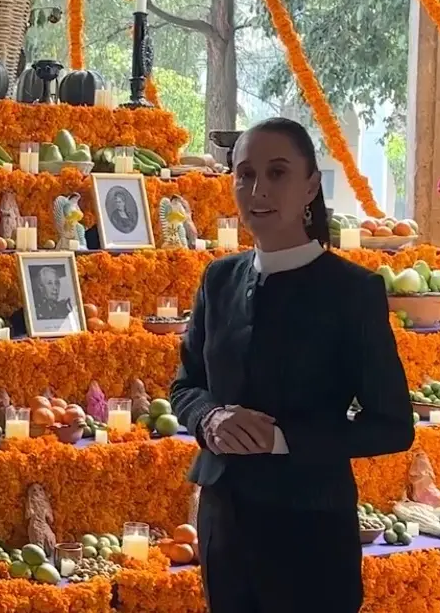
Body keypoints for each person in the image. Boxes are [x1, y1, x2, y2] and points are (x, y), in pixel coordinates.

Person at [170, 117, 414, 613]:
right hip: (225, 525)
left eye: (277, 172)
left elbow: (392, 426)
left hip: (311, 534)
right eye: (245, 174)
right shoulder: (218, 280)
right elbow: (186, 387)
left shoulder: (352, 292)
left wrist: (282, 440)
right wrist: (210, 418)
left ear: (310, 186)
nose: (258, 189)